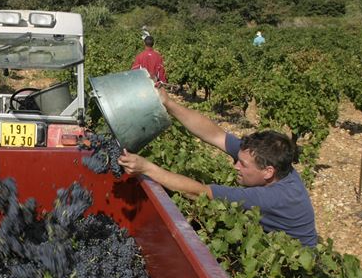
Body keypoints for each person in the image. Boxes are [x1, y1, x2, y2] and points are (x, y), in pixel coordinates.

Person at [117, 89, 318, 247]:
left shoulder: (271, 197)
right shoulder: (265, 158)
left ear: (268, 172)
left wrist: (146, 167)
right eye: (238, 159)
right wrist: (169, 104)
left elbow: (200, 193)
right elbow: (216, 135)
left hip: (294, 268)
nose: (235, 166)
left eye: (243, 164)